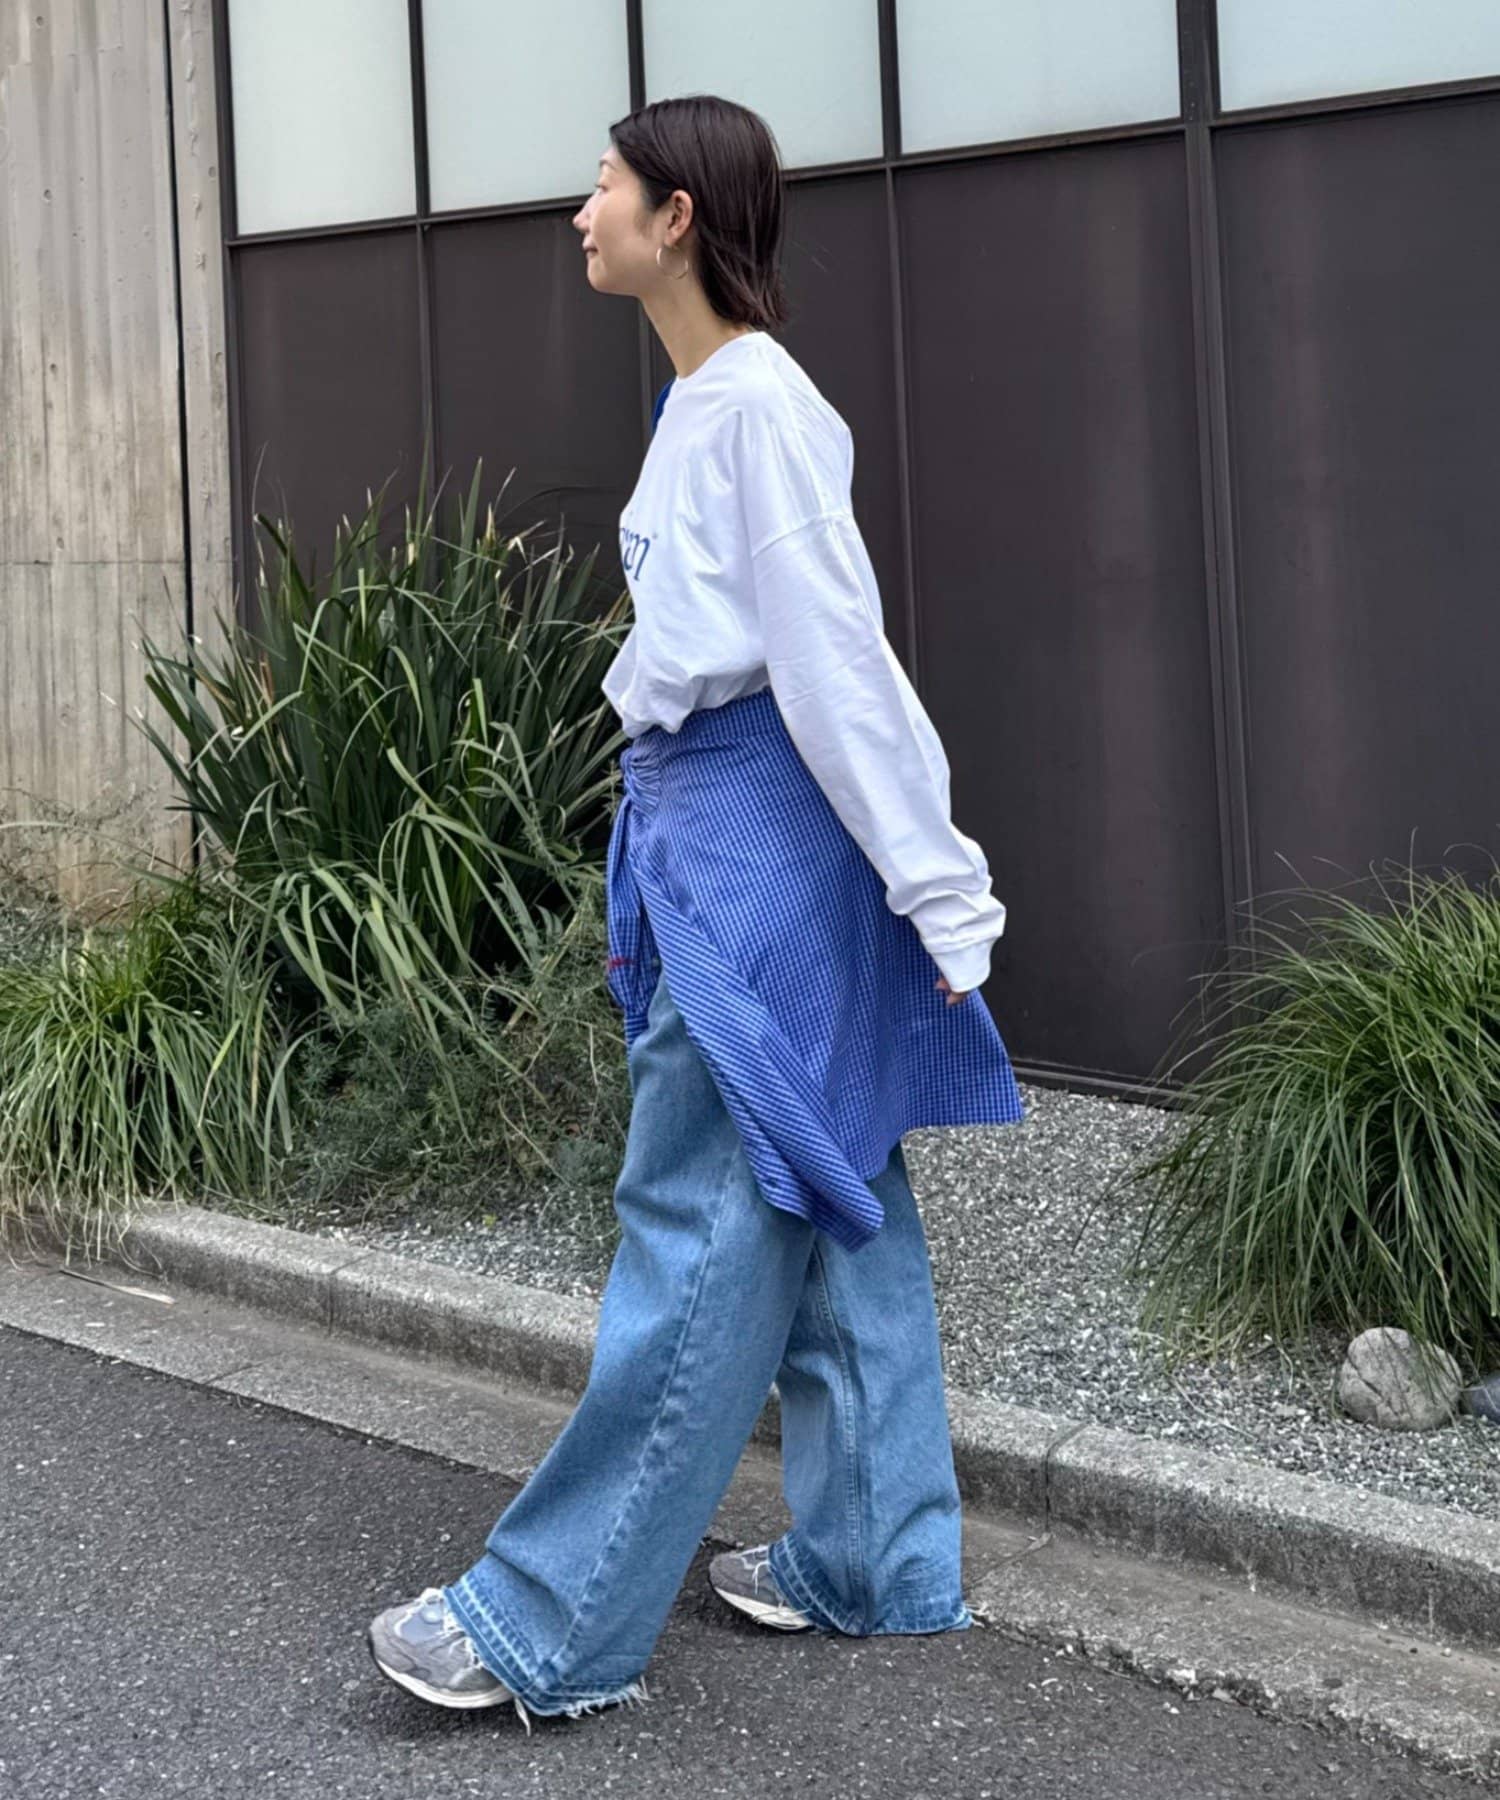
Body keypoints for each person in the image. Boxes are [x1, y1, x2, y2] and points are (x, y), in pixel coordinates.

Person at [366, 94, 1026, 1732]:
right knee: (836, 1178)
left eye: (604, 183)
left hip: (756, 853)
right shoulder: (702, 404)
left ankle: (551, 1621)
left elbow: (838, 666)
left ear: (676, 218)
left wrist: (942, 891)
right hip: (720, 826)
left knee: (704, 1216)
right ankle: (872, 1555)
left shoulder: (756, 414)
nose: (579, 210)